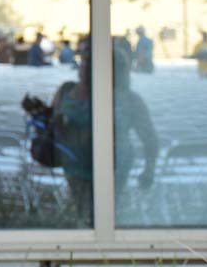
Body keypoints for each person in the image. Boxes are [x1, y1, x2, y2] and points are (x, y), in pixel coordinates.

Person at [51, 39, 158, 224]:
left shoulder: (129, 100)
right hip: (74, 164)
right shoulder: (66, 91)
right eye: (83, 62)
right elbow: (50, 126)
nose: (83, 67)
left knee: (104, 212)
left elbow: (150, 138)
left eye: (88, 63)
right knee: (84, 209)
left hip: (115, 166)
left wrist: (149, 170)